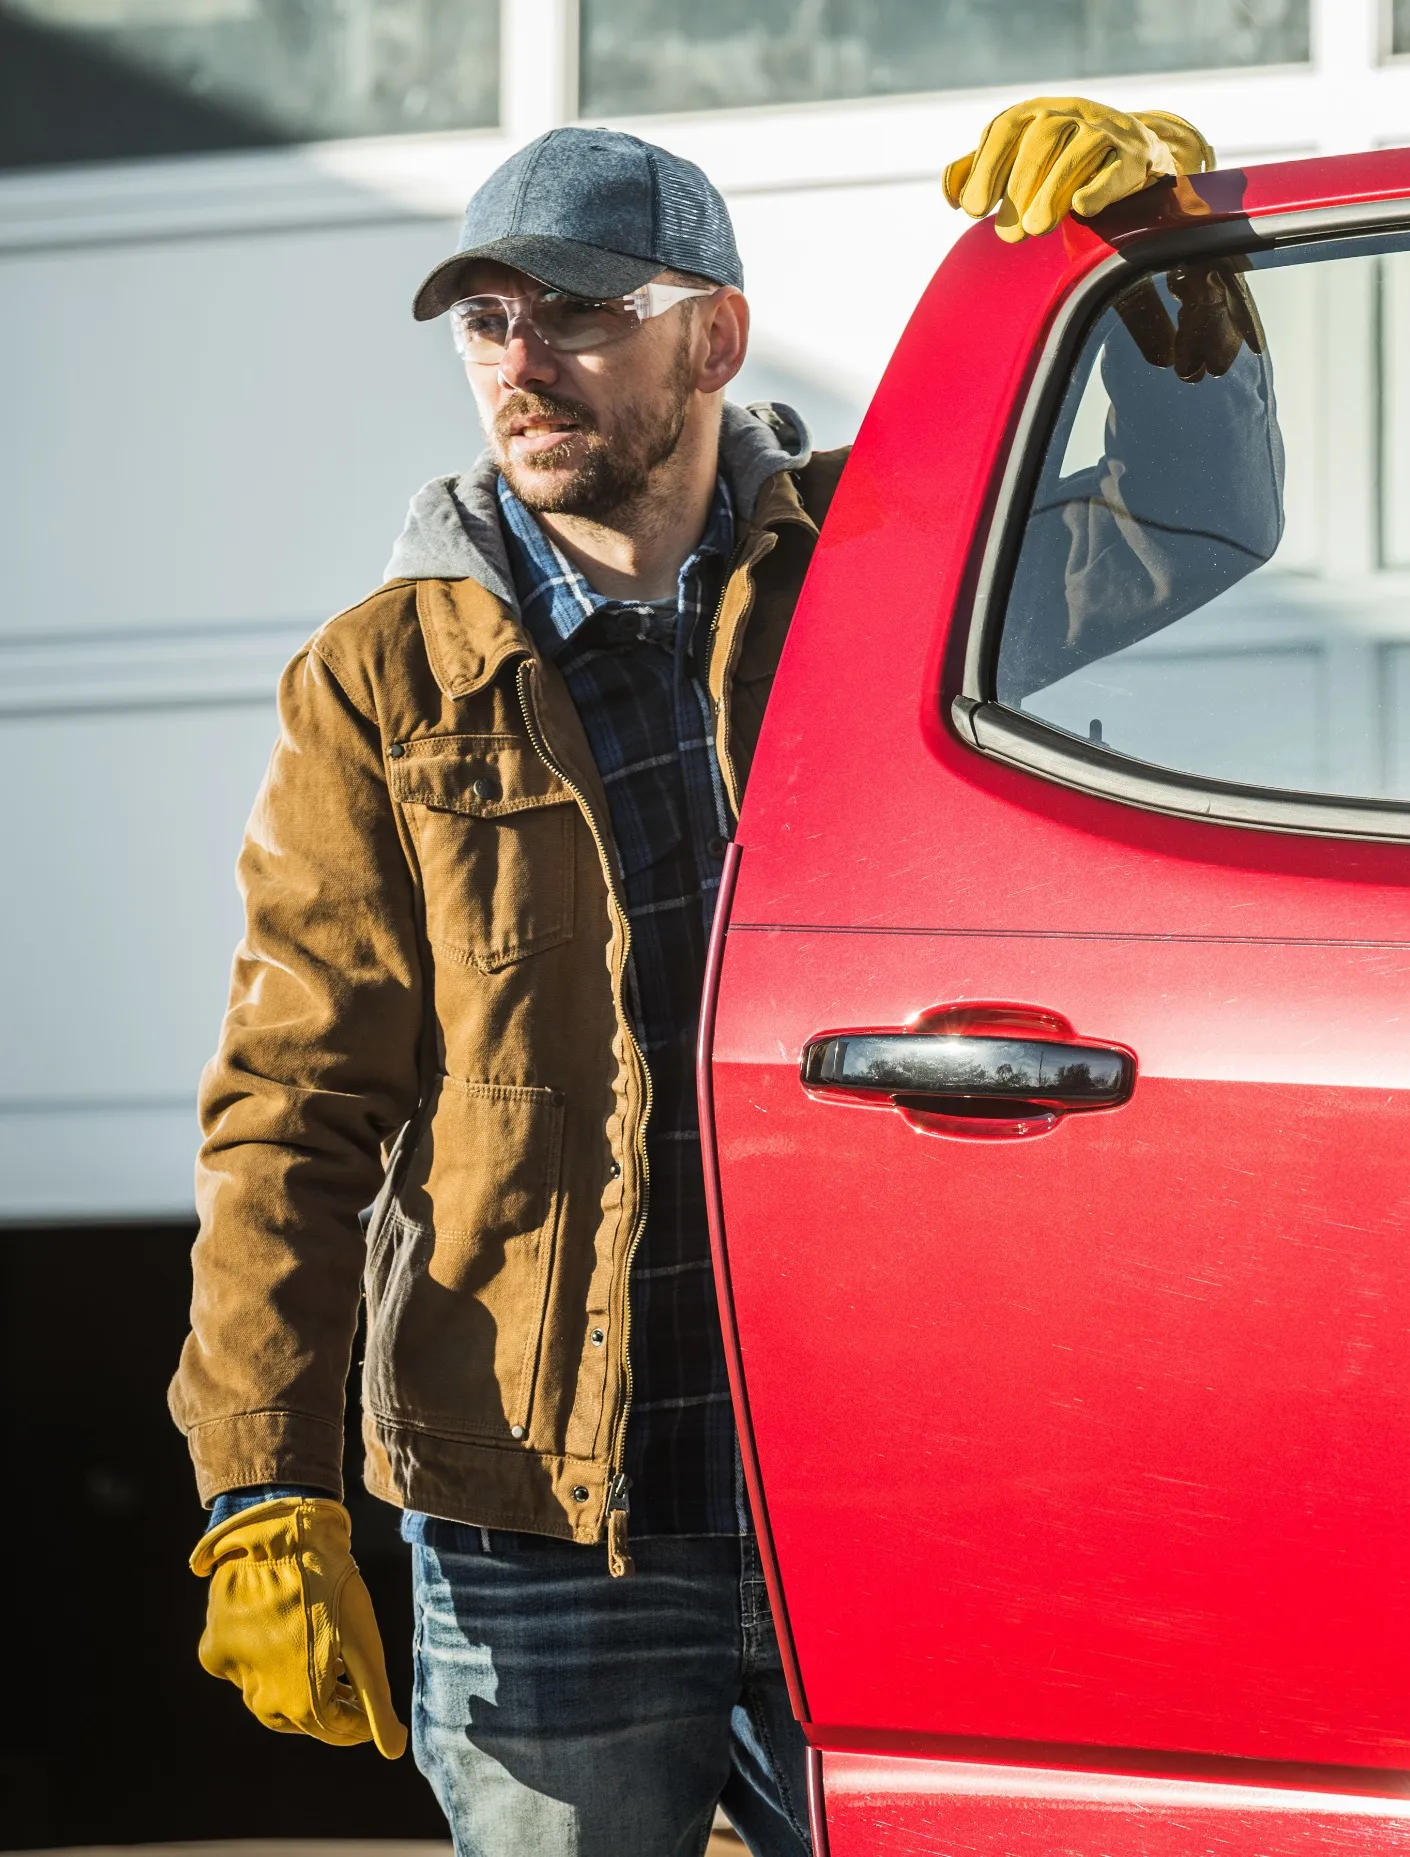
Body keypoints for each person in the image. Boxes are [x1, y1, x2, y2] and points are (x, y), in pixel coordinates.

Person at [169, 96, 1280, 1857]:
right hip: (543, 1532)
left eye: (582, 312)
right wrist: (260, 1476)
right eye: (485, 321)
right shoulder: (380, 683)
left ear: (716, 336)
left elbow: (1195, 524)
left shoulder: (888, 573)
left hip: (872, 1496)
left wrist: (1162, 265)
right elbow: (292, 1106)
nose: (522, 362)